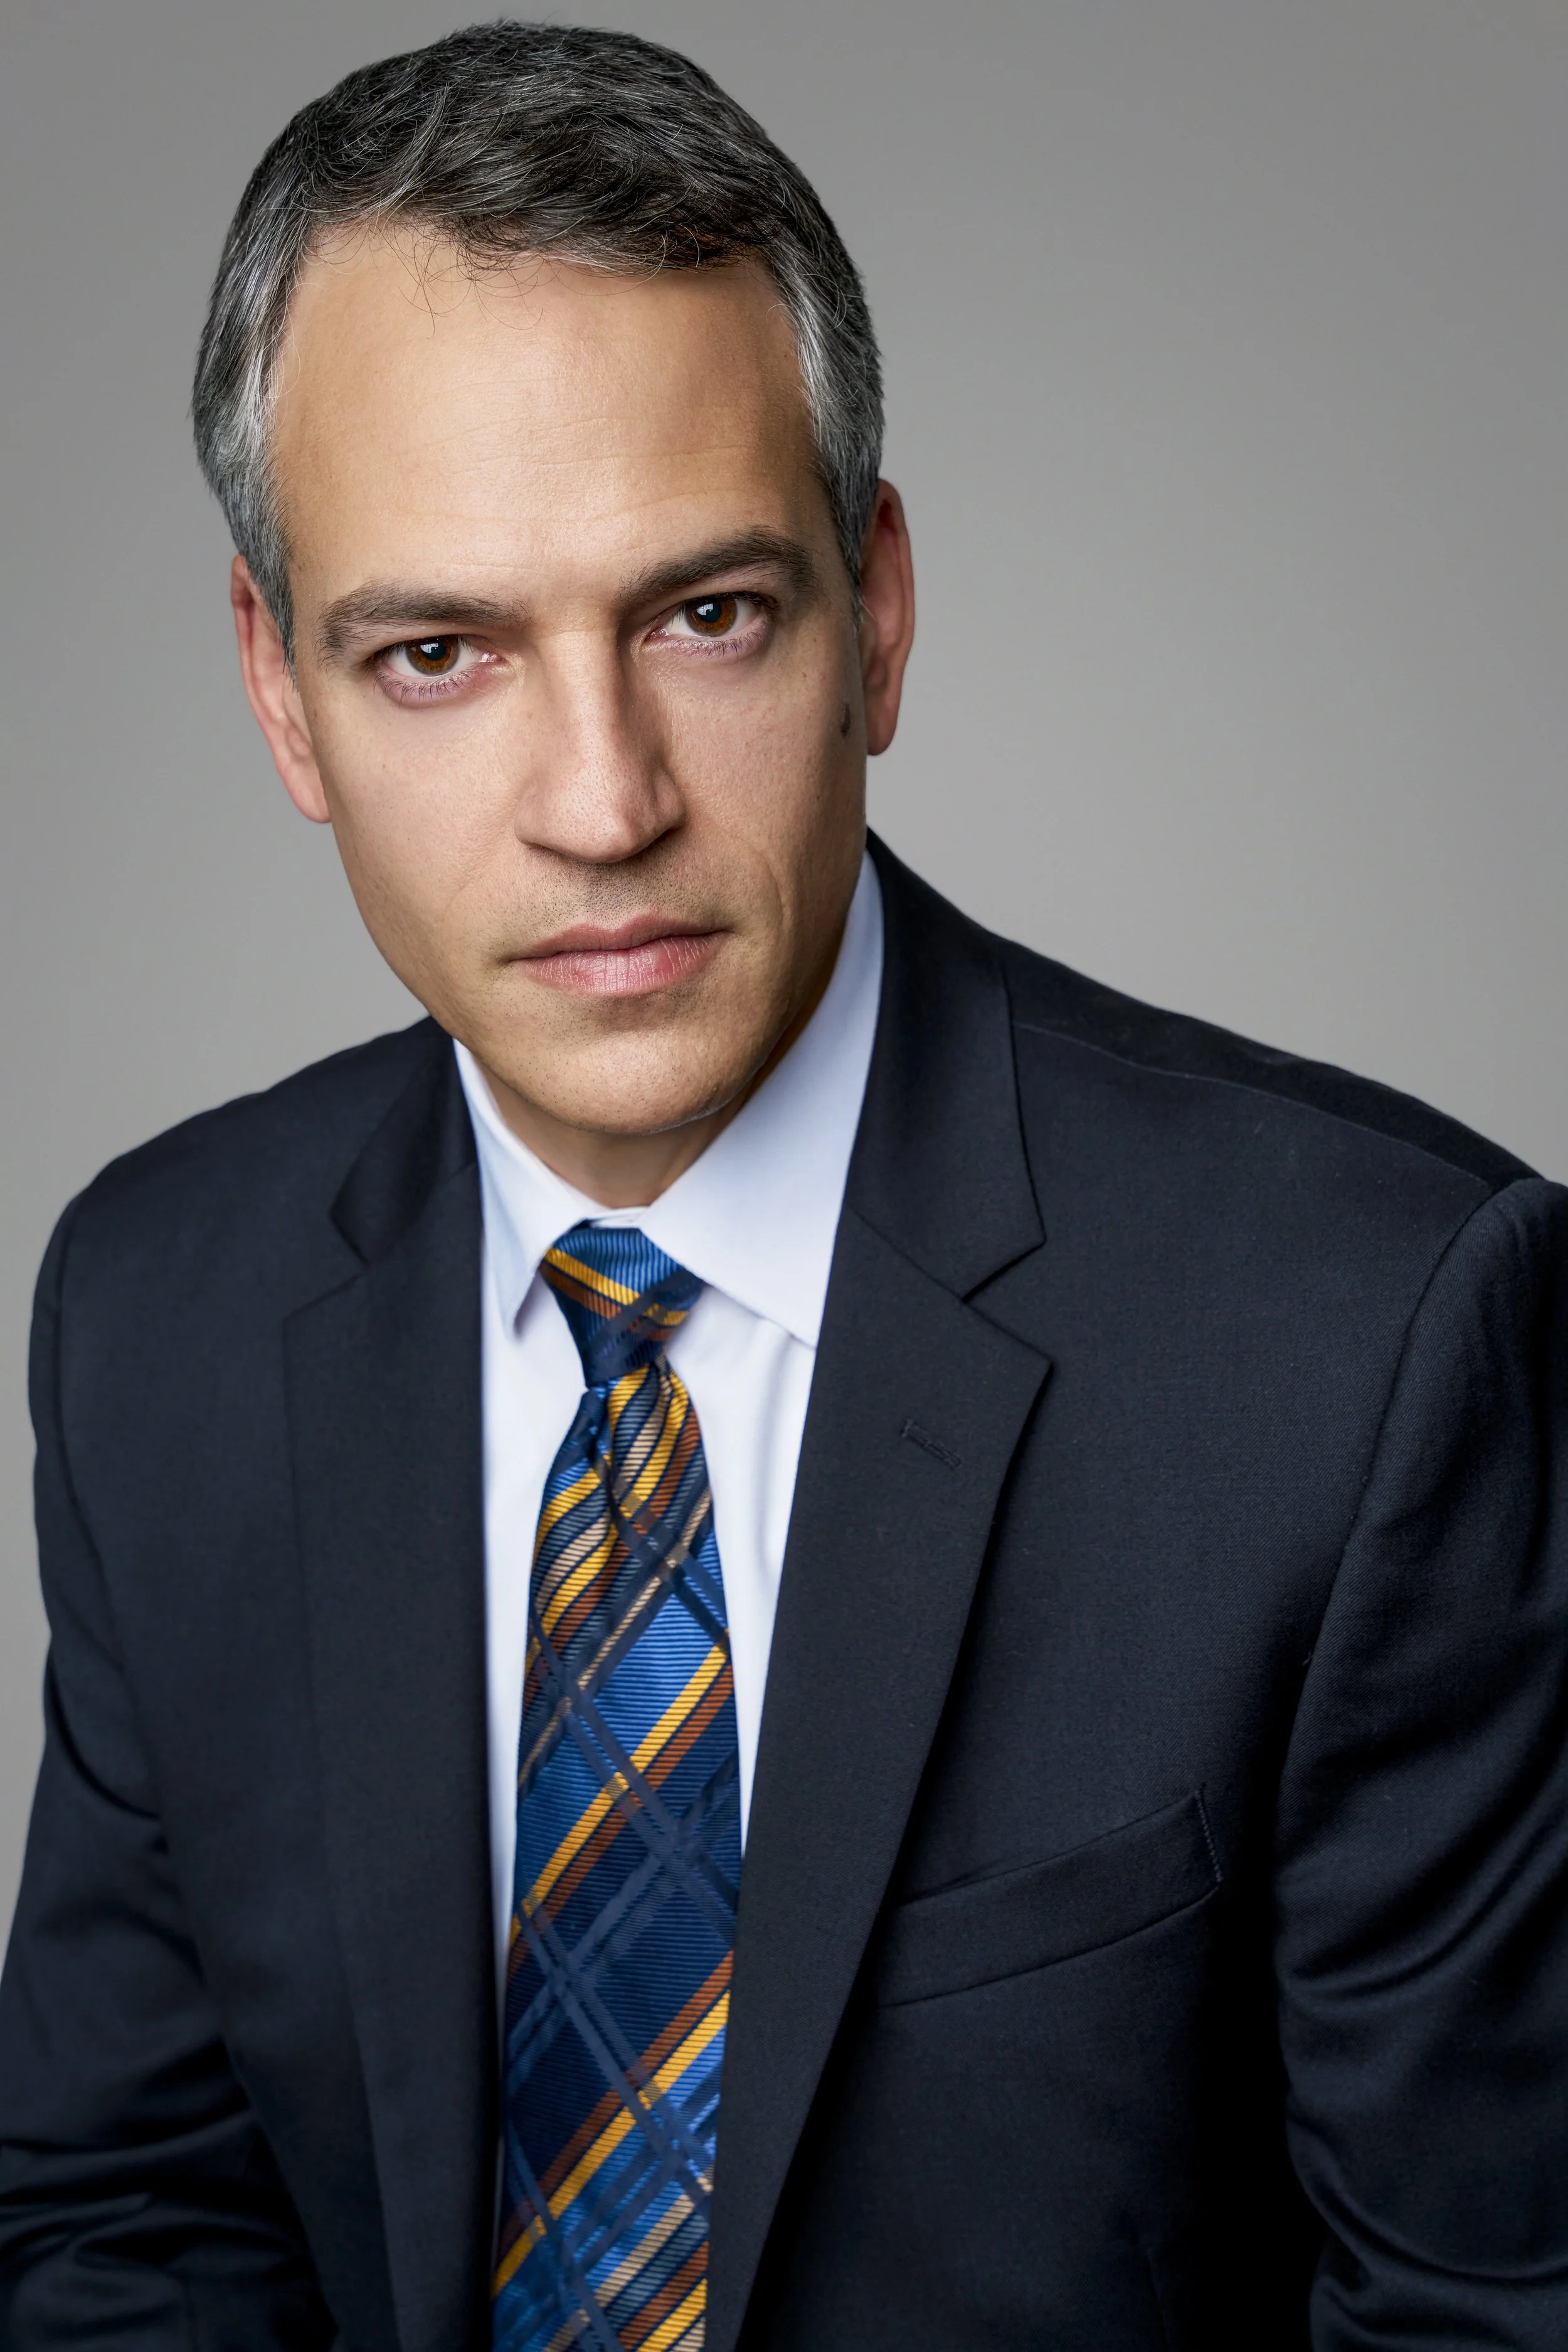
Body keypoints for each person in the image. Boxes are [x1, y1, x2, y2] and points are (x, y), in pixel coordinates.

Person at [1, 20, 1565, 2351]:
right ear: (278, 692)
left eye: (704, 615)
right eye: (437, 654)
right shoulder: (160, 1307)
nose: (601, 797)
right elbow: (127, 2225)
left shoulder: (1367, 1339)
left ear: (879, 610)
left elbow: (1487, 2314)